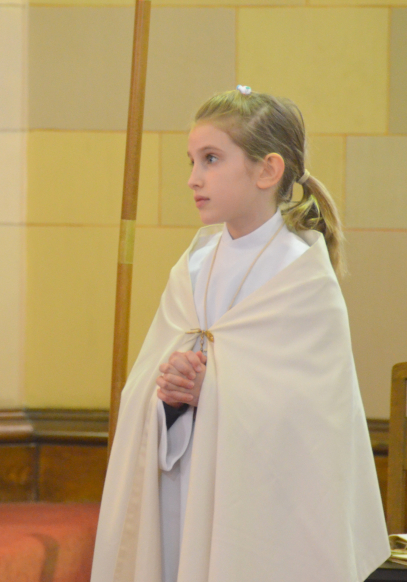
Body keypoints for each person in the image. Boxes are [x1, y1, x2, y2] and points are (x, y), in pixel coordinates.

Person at [91, 87, 389, 582]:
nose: (193, 179)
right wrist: (167, 392)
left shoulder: (302, 276)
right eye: (192, 161)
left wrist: (213, 388)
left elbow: (311, 420)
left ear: (267, 170)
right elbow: (145, 384)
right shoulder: (193, 264)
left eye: (211, 159)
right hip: (185, 492)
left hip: (260, 511)